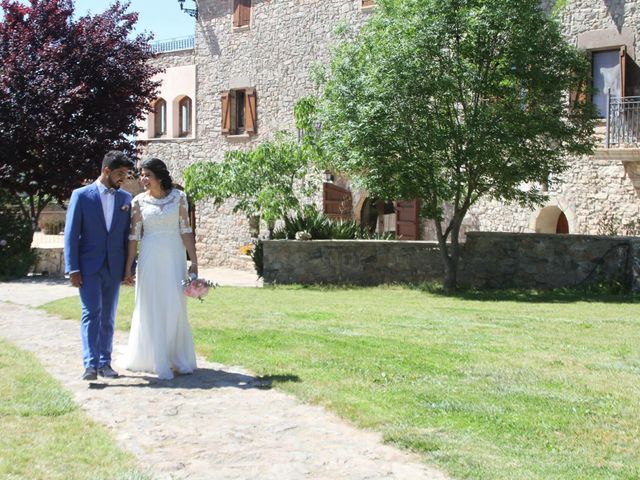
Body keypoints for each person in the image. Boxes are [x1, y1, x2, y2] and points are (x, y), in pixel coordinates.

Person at [123, 157, 198, 380]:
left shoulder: (179, 198)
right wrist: (129, 266)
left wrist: (194, 260)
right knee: (151, 304)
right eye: (142, 175)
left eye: (147, 175)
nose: (143, 179)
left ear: (159, 177)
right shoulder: (138, 201)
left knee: (175, 304)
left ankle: (176, 356)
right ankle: (153, 357)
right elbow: (134, 236)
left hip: (174, 256)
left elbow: (185, 229)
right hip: (150, 257)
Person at [64, 151, 134, 381]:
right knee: (91, 313)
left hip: (113, 267)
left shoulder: (125, 199)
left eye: (125, 173)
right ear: (106, 171)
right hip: (87, 267)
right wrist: (72, 268)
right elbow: (71, 234)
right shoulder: (81, 195)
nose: (123, 178)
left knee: (108, 317)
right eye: (120, 173)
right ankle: (90, 365)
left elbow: (127, 237)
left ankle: (105, 363)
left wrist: (128, 269)